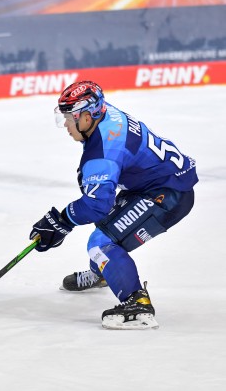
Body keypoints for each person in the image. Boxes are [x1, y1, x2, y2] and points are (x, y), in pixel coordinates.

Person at [29, 80, 197, 330]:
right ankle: (105, 272)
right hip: (155, 183)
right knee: (107, 222)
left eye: (69, 117)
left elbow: (96, 204)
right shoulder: (104, 113)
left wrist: (62, 221)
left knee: (100, 243)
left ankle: (137, 302)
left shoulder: (104, 151)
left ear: (87, 117)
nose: (65, 124)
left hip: (167, 194)